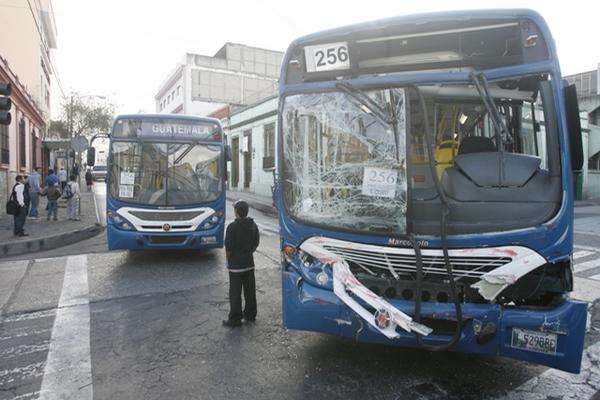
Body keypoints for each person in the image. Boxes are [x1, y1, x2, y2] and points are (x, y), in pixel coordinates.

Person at [222, 200, 260, 327]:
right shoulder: (253, 225)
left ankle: (235, 319)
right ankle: (250, 314)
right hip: (249, 263)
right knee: (250, 290)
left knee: (235, 293)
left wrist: (228, 259)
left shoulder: (232, 227)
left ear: (236, 212)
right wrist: (249, 251)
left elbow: (229, 247)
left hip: (236, 266)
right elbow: (256, 242)